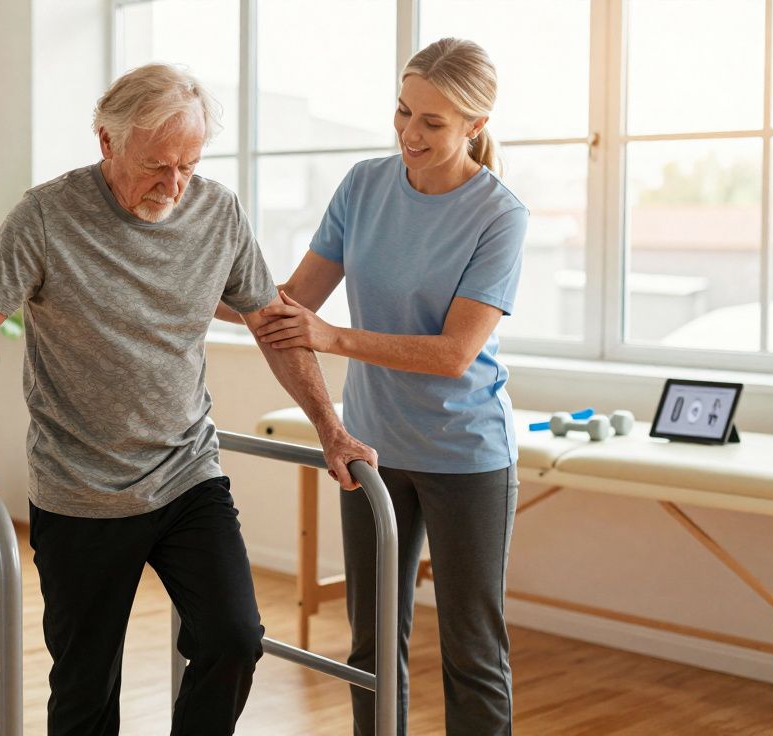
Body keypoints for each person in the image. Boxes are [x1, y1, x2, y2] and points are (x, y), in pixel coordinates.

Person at [0, 62, 376, 736]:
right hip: (79, 490)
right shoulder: (47, 216)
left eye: (189, 166)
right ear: (106, 142)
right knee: (85, 692)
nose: (174, 185)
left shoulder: (217, 211)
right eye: (157, 165)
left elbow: (272, 326)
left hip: (187, 475)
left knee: (234, 637)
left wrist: (330, 429)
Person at [226, 37, 527, 736]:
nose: (409, 134)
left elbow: (455, 353)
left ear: (474, 128)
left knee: (473, 655)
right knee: (370, 645)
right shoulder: (364, 186)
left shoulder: (499, 215)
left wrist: (330, 337)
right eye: (402, 112)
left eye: (433, 122)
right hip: (371, 450)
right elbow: (294, 299)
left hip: (465, 456)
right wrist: (182, 285)